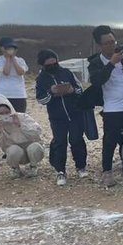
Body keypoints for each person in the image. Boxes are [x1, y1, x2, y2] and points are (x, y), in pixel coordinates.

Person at [86, 25, 123, 187]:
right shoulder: (96, 63)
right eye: (107, 43)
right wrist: (111, 63)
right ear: (100, 45)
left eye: (113, 41)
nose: (112, 45)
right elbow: (97, 81)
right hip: (112, 108)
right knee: (110, 141)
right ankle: (107, 172)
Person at [35, 49, 88, 186]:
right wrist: (51, 92)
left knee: (76, 139)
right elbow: (41, 99)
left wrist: (71, 90)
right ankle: (60, 171)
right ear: (43, 65)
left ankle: (81, 166)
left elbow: (79, 89)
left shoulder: (66, 72)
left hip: (75, 113)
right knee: (59, 142)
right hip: (56, 117)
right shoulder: (41, 79)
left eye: (55, 63)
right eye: (49, 64)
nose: (53, 66)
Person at [0, 95, 44, 177]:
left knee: (34, 147)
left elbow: (38, 131)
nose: (5, 115)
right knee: (13, 150)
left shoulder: (22, 117)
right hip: (16, 154)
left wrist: (20, 125)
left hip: (31, 149)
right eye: (1, 113)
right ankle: (15, 169)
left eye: (7, 112)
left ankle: (33, 167)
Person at [0, 37, 29, 113]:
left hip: (19, 94)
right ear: (2, 48)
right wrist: (8, 59)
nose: (10, 50)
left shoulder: (20, 60)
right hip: (3, 94)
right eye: (7, 48)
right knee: (3, 118)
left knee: (19, 118)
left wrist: (13, 59)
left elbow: (21, 72)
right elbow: (6, 72)